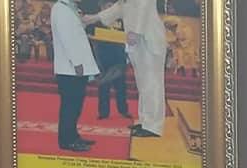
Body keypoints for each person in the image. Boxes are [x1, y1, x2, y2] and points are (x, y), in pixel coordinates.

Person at [89, 0, 167, 139]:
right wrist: (93, 18)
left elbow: (144, 6)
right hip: (139, 42)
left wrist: (135, 31)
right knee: (143, 85)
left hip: (149, 41)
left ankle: (153, 126)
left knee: (152, 85)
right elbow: (118, 8)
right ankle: (145, 122)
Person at [48, 0, 98, 153]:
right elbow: (67, 39)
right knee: (70, 107)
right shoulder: (61, 9)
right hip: (70, 68)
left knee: (75, 106)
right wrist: (77, 62)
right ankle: (67, 141)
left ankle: (74, 136)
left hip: (75, 67)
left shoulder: (71, 8)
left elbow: (76, 33)